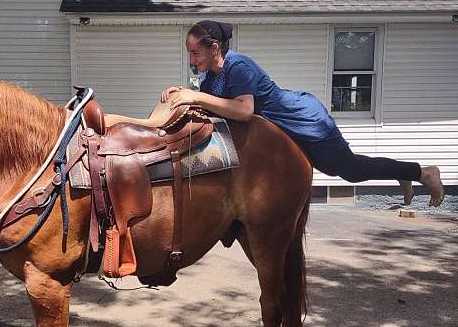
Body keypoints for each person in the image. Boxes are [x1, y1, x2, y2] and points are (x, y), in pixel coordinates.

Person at [161, 20, 445, 207]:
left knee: (350, 171)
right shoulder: (210, 76)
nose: (191, 60)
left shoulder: (239, 67)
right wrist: (183, 96)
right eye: (189, 53)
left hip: (304, 120)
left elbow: (244, 111)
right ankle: (402, 171)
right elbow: (216, 106)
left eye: (195, 53)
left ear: (214, 48)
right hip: (280, 129)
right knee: (347, 168)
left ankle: (421, 172)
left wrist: (195, 95)